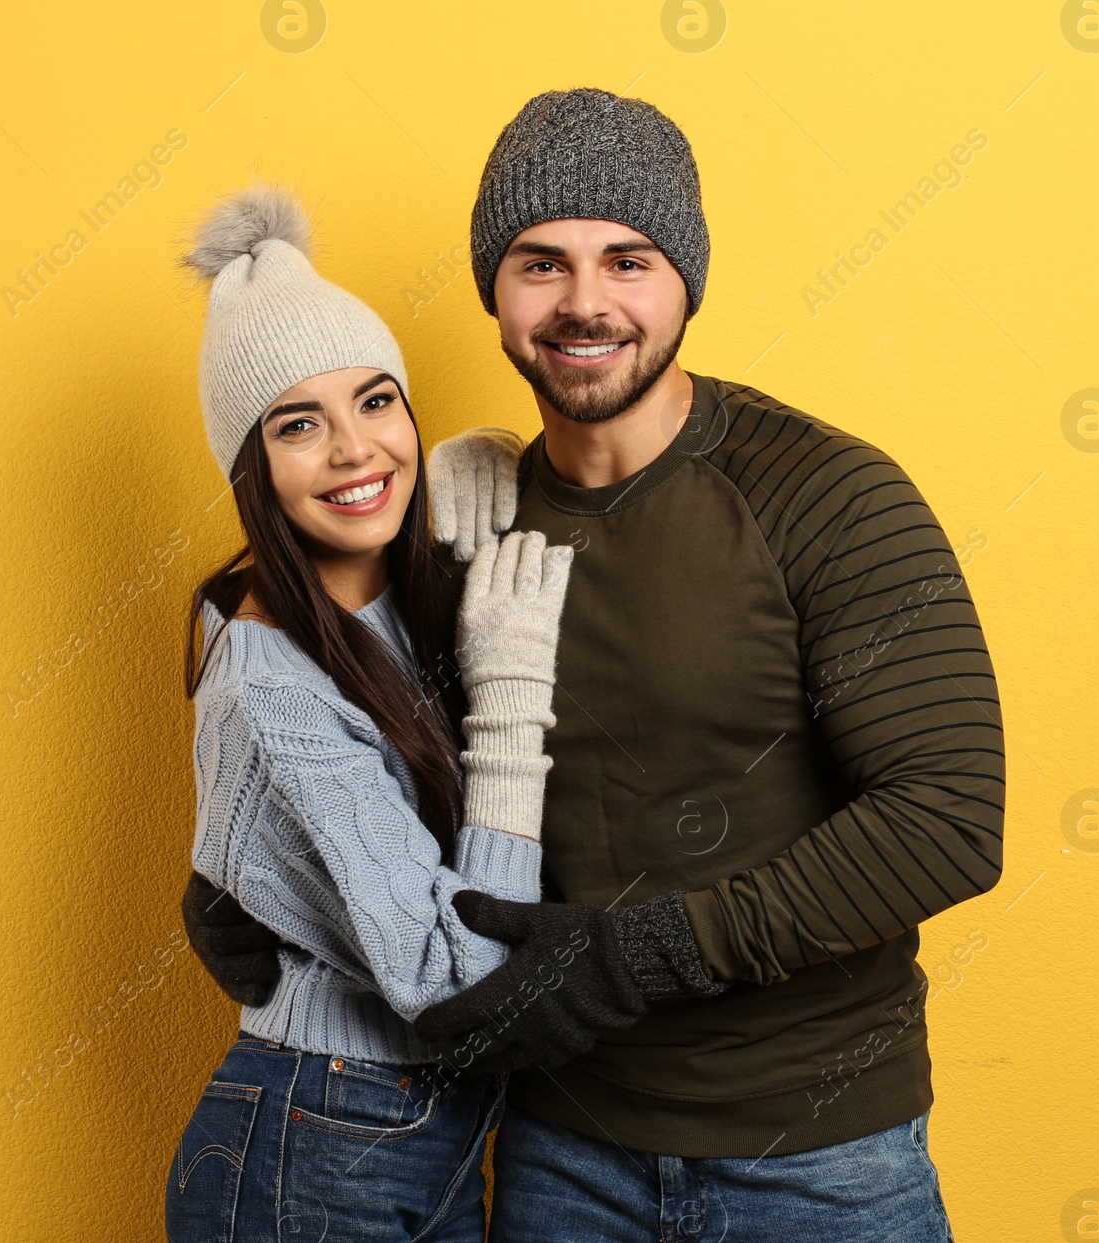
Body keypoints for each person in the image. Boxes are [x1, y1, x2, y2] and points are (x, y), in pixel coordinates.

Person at [188, 89, 1005, 1242]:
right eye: (540, 262)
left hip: (812, 1153)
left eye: (627, 260)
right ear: (494, 291)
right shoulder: (457, 526)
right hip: (555, 1152)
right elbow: (369, 748)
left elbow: (948, 821)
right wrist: (249, 876)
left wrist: (646, 951)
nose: (584, 303)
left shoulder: (825, 494)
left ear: (685, 282)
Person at [166, 181, 574, 1243]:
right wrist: (513, 699)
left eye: (377, 401)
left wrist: (499, 469)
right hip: (315, 1136)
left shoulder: (398, 599)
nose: (354, 449)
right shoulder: (266, 670)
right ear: (251, 469)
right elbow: (457, 975)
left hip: (418, 1131)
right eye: (300, 424)